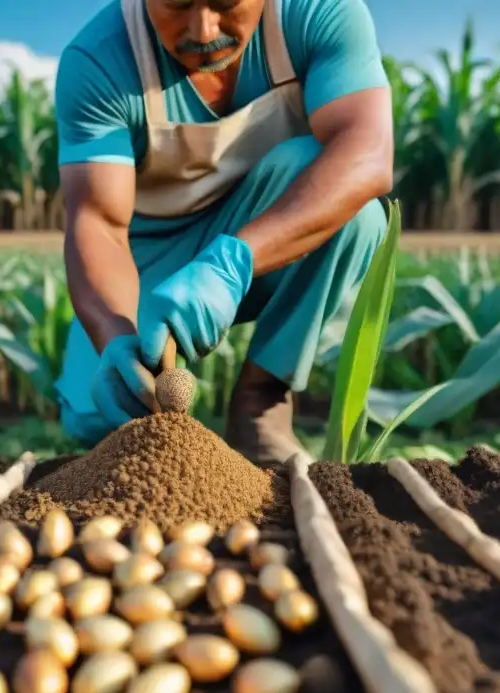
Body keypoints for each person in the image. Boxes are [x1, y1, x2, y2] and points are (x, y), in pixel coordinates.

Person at [52, 0, 393, 464]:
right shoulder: (100, 59)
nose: (203, 29)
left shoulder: (317, 13)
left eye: (227, 3)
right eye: (176, 4)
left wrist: (233, 262)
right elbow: (98, 223)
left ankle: (260, 401)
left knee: (356, 212)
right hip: (149, 253)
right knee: (97, 412)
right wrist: (113, 334)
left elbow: (367, 152)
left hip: (269, 230)